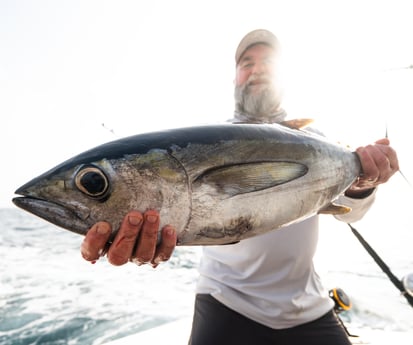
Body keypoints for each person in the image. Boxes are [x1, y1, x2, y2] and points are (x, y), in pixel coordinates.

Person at [80, 29, 399, 345]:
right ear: (235, 78)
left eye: (268, 62)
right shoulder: (207, 141)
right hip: (226, 302)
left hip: (307, 304)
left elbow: (349, 211)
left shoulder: (317, 140)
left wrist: (363, 182)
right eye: (247, 63)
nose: (257, 69)